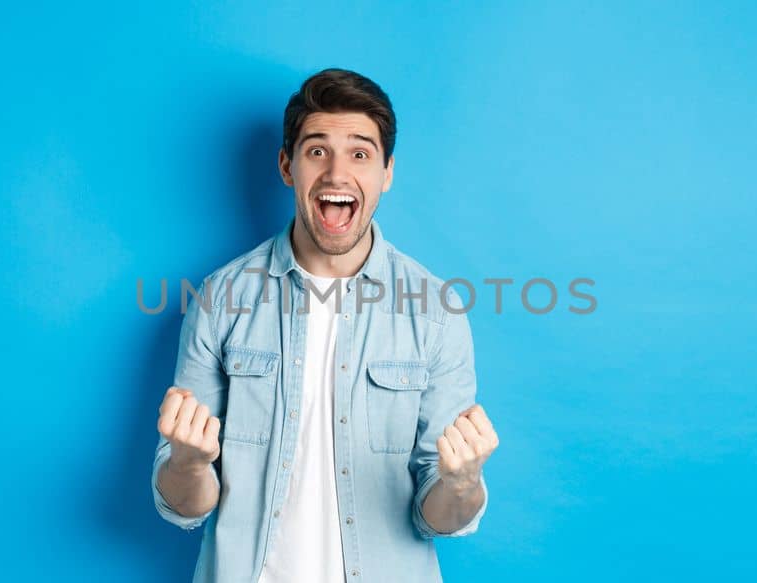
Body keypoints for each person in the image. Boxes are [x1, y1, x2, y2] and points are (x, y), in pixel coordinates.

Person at [151, 68, 498, 583]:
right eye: (317, 151)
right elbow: (186, 506)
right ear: (287, 166)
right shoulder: (220, 300)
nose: (337, 174)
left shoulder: (436, 312)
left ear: (387, 172)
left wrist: (464, 482)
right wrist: (187, 462)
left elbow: (437, 518)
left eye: (360, 153)